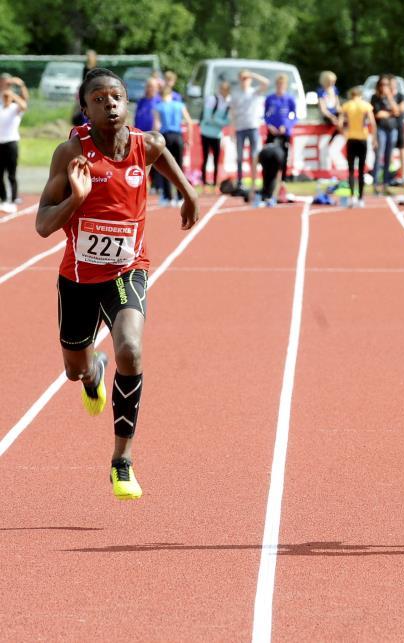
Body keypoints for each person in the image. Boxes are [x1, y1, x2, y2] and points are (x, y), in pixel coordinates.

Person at [35, 68, 199, 500]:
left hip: (127, 270)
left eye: (117, 97)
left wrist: (187, 192)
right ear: (86, 108)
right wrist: (76, 198)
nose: (110, 104)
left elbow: (162, 154)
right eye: (100, 98)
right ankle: (95, 371)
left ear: (126, 103)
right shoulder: (71, 153)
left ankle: (121, 460)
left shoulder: (147, 145)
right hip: (77, 276)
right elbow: (42, 225)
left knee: (131, 348)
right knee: (75, 370)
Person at [229, 69, 270, 200]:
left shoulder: (254, 91)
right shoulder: (235, 94)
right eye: (242, 78)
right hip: (240, 128)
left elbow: (267, 83)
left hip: (252, 126)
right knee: (240, 156)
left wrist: (253, 74)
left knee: (254, 156)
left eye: (246, 78)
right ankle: (240, 182)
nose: (244, 80)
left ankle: (254, 181)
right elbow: (233, 113)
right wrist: (232, 129)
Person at [152, 84, 193, 207]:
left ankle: (167, 197)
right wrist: (189, 139)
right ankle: (181, 197)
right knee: (179, 168)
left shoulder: (158, 107)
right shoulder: (179, 105)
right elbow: (189, 122)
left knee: (165, 167)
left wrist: (153, 139)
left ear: (160, 95)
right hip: (178, 137)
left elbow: (157, 125)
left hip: (165, 137)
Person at [341, 86, 375, 207]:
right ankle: (361, 198)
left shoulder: (347, 105)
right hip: (362, 138)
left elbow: (341, 123)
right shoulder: (365, 105)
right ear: (360, 95)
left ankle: (351, 197)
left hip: (351, 138)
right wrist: (374, 137)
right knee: (361, 169)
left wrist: (344, 134)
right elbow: (372, 122)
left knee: (350, 169)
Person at [0, 75, 28, 212]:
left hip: (11, 143)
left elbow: (24, 105)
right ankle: (4, 199)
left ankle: (13, 199)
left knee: (11, 174)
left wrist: (13, 93)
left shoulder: (15, 108)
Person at [264, 73, 297, 185]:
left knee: (284, 156)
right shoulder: (270, 98)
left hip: (284, 132)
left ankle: (282, 179)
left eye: (282, 84)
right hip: (272, 132)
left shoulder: (290, 99)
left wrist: (286, 126)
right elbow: (265, 115)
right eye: (278, 84)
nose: (280, 86)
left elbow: (294, 116)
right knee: (269, 154)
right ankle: (269, 178)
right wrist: (269, 125)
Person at [371, 74, 401, 195]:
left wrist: (389, 98)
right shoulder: (375, 98)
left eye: (386, 85)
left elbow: (397, 111)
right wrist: (390, 113)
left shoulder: (392, 97)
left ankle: (385, 184)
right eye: (382, 85)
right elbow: (378, 114)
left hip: (392, 129)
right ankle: (376, 184)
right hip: (381, 129)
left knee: (389, 157)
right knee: (379, 156)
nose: (384, 87)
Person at [200, 80, 230, 192]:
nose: (224, 92)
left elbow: (227, 121)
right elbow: (207, 117)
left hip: (217, 135)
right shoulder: (213, 99)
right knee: (205, 158)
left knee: (217, 160)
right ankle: (204, 183)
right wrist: (219, 121)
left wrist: (216, 121)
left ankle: (215, 183)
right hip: (206, 133)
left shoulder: (227, 103)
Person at [316, 71, 342, 171]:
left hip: (335, 115)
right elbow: (323, 109)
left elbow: (338, 105)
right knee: (324, 145)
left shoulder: (334, 90)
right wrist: (331, 117)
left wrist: (341, 115)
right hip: (327, 117)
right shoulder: (321, 91)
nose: (332, 84)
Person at [390, 77, 404, 185]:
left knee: (403, 149)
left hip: (399, 124)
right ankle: (388, 174)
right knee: (387, 150)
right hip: (388, 126)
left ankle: (403, 175)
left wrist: (393, 108)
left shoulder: (401, 96)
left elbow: (400, 109)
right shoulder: (384, 96)